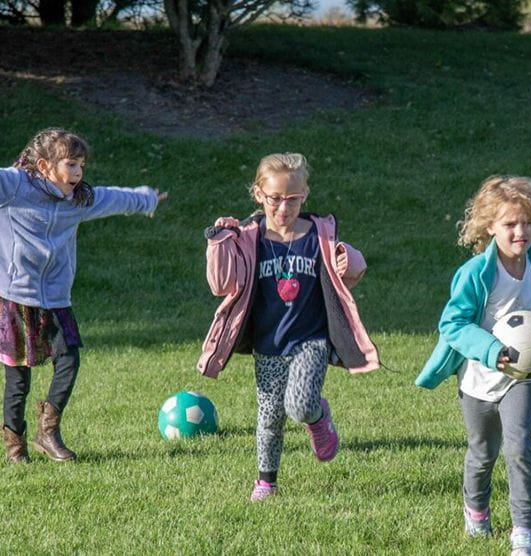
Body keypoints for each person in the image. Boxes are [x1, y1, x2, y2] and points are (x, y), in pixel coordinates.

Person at [197, 153, 379, 502]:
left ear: (305, 194)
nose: (284, 207)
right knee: (269, 417)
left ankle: (318, 415)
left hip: (311, 340)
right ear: (258, 194)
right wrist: (218, 241)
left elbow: (352, 268)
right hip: (268, 344)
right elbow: (221, 284)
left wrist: (349, 258)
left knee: (299, 404)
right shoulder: (248, 238)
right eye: (275, 198)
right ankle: (266, 481)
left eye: (292, 199)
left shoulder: (319, 234)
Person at [415, 176, 531, 556]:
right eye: (510, 224)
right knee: (482, 452)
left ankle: (524, 531)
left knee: (520, 446)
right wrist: (490, 350)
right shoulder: (476, 273)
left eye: (527, 223)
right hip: (476, 378)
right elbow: (453, 324)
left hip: (520, 378)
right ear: (490, 227)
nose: (520, 232)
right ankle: (476, 511)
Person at [1, 127, 168, 463]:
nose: (77, 172)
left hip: (56, 298)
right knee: (18, 377)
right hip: (15, 297)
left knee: (69, 360)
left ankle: (48, 432)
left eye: (81, 165)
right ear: (45, 165)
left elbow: (113, 198)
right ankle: (15, 445)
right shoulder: (15, 186)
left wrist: (146, 199)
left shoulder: (79, 199)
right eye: (70, 164)